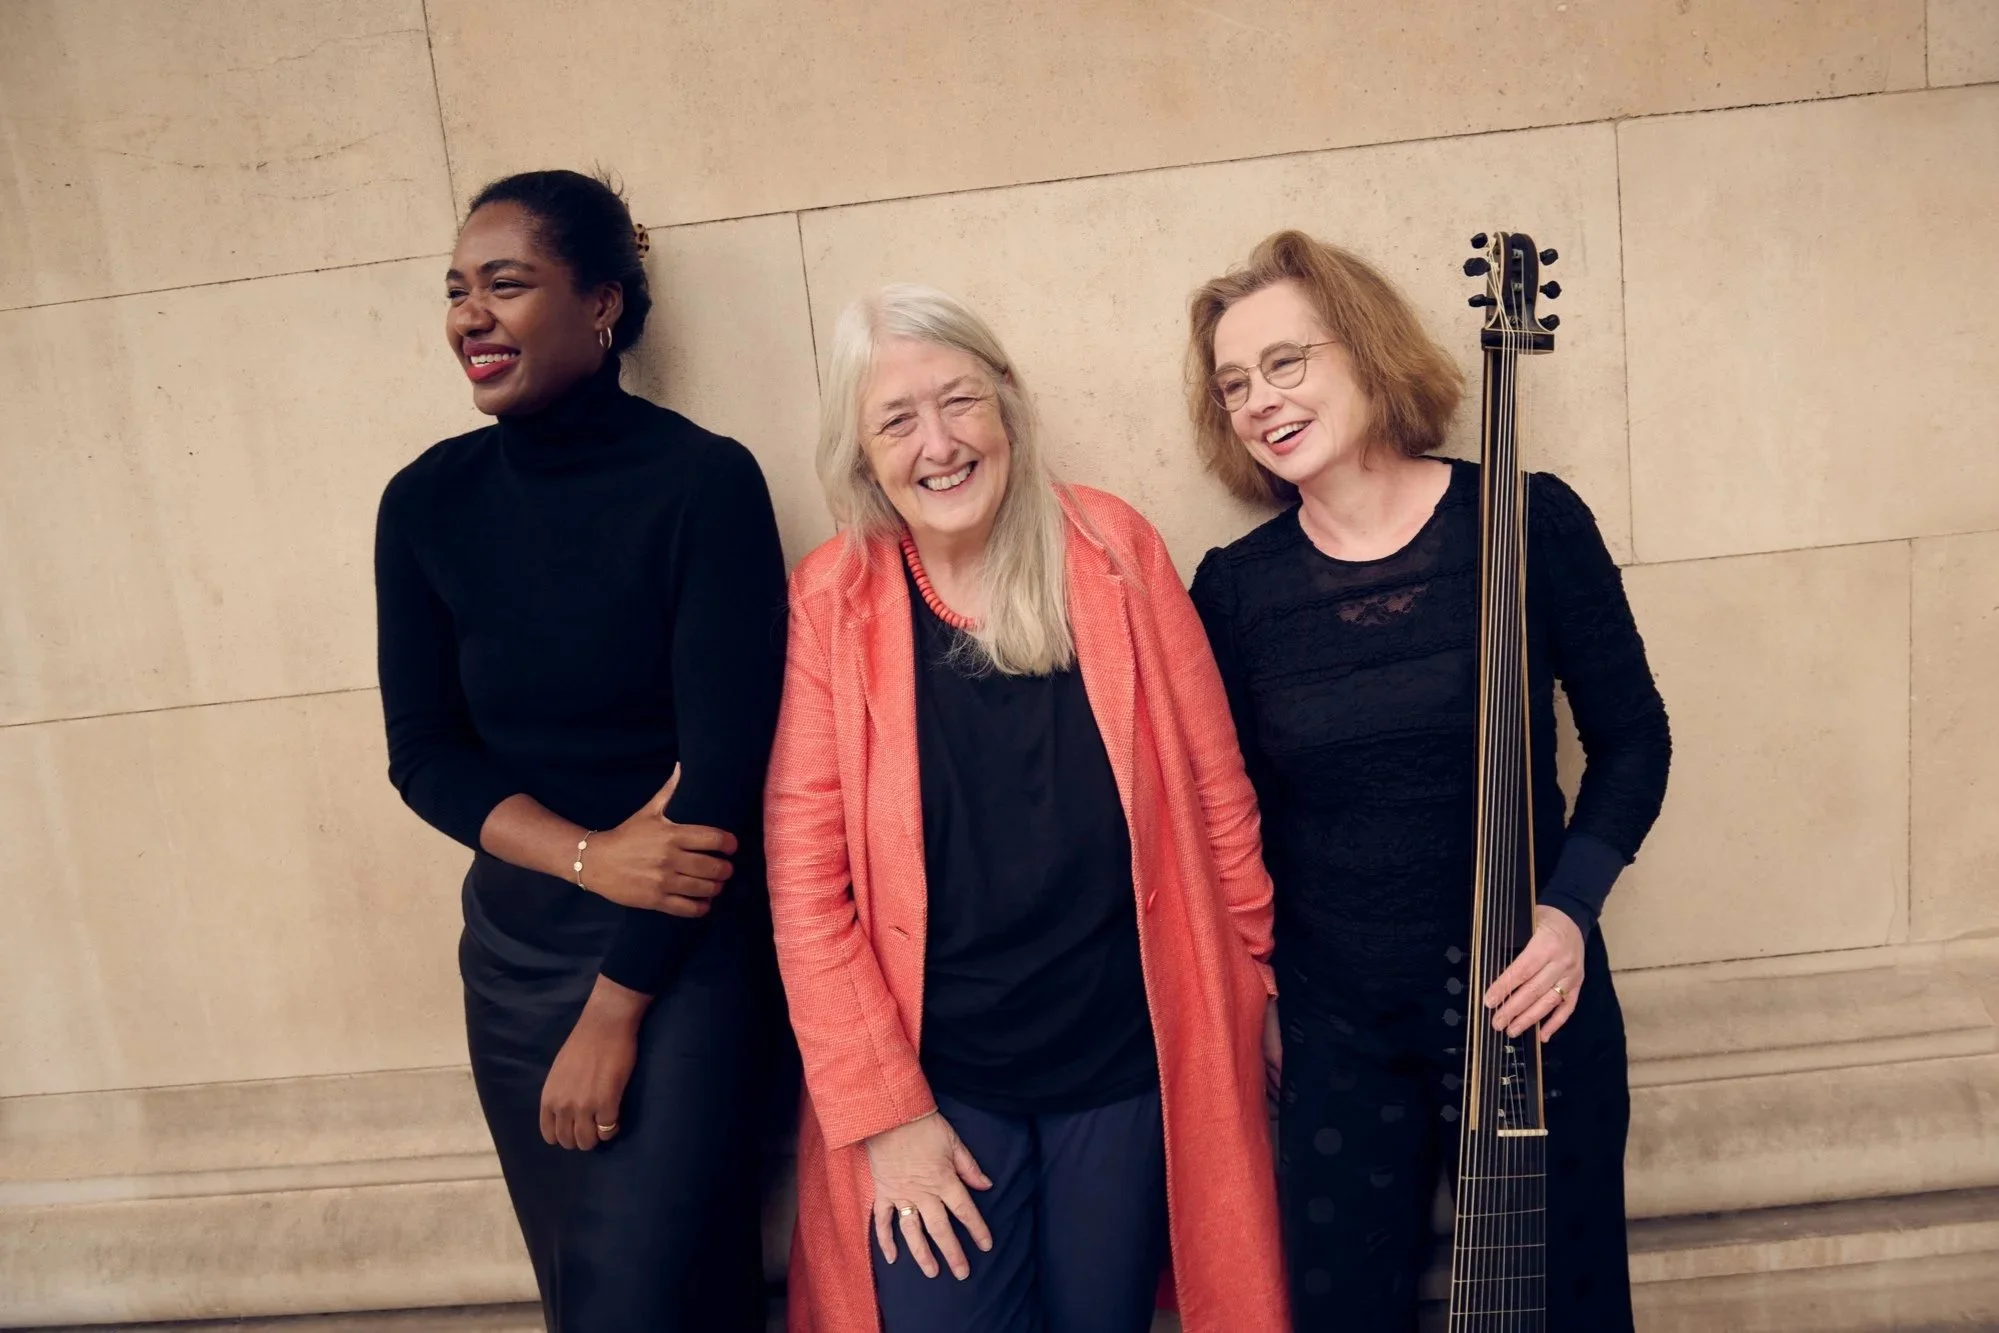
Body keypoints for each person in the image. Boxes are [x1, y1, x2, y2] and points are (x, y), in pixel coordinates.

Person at [763, 284, 1289, 1333]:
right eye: (896, 420)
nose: (939, 443)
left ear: (1007, 404)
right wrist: (884, 1113)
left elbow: (1216, 784)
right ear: (862, 455)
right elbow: (804, 882)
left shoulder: (1113, 551)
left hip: (1126, 1064)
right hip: (939, 1084)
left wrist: (1258, 972)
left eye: (959, 401)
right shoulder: (834, 600)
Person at [1184, 230, 1671, 1331]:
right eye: (1233, 384)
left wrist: (1568, 915)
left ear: (1363, 349)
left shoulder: (1527, 519)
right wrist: (1259, 992)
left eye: (1285, 362)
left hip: (1529, 999)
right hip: (1337, 1025)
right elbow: (1228, 822)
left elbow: (1633, 740)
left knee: (1564, 1310)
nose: (1259, 400)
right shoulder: (1237, 591)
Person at [372, 169, 787, 1331]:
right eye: (457, 289)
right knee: (592, 1294)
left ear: (601, 305)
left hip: (680, 958)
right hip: (515, 958)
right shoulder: (423, 502)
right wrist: (585, 858)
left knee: (643, 1298)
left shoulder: (702, 480)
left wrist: (614, 1010)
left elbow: (719, 771)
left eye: (507, 284)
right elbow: (423, 753)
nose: (470, 314)